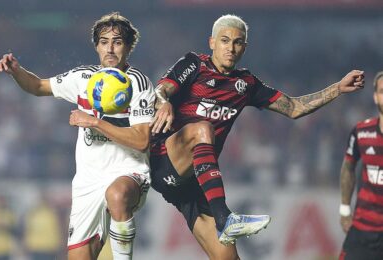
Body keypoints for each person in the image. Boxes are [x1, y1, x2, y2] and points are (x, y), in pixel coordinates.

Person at [149, 14, 365, 259]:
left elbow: (293, 108)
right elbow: (161, 89)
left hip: (194, 182)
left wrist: (337, 87)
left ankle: (223, 219)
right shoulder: (194, 65)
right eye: (224, 40)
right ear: (211, 42)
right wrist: (164, 101)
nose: (230, 48)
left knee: (228, 257)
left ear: (244, 47)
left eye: (237, 42)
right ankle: (225, 218)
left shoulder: (246, 83)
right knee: (203, 129)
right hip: (165, 160)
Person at [0, 12, 155, 260]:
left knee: (117, 194)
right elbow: (38, 87)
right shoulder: (83, 78)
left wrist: (95, 122)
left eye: (117, 42)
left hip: (128, 171)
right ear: (96, 46)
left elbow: (142, 140)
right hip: (87, 184)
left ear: (128, 46)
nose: (110, 49)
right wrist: (17, 72)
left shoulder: (138, 84)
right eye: (104, 42)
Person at [338, 71, 383, 260]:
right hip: (362, 229)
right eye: (382, 91)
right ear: (375, 96)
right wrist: (345, 209)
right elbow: (348, 166)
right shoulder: (361, 132)